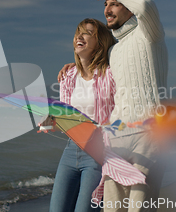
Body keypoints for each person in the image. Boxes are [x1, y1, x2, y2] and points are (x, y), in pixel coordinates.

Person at [58, 0, 168, 212]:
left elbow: (146, 5)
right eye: (106, 5)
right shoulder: (113, 51)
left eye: (114, 4)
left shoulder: (149, 34)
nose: (107, 9)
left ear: (129, 6)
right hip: (116, 137)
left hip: (149, 135)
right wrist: (74, 66)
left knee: (140, 207)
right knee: (112, 209)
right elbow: (93, 63)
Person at [49, 18, 116, 212]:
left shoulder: (111, 75)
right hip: (71, 150)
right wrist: (51, 119)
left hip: (99, 152)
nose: (79, 36)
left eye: (87, 32)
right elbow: (64, 116)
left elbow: (122, 113)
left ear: (100, 42)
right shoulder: (68, 76)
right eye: (78, 32)